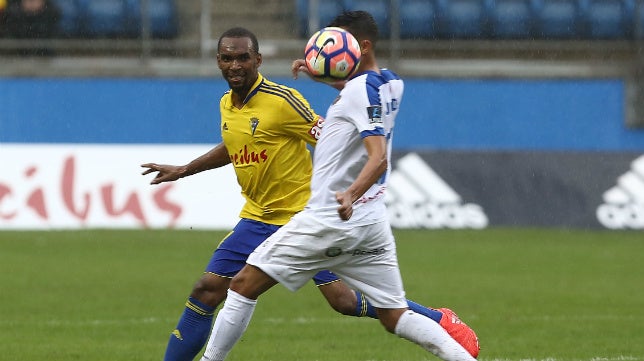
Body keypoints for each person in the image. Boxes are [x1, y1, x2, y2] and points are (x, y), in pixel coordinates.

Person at [142, 25, 478, 361]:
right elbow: (235, 144)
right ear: (218, 61)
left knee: (342, 301)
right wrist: (185, 169)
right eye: (228, 58)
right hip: (257, 217)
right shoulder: (227, 105)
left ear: (257, 60)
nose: (235, 65)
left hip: (304, 217)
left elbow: (332, 136)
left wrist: (357, 184)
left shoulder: (283, 101)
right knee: (208, 289)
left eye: (243, 58)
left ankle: (438, 318)